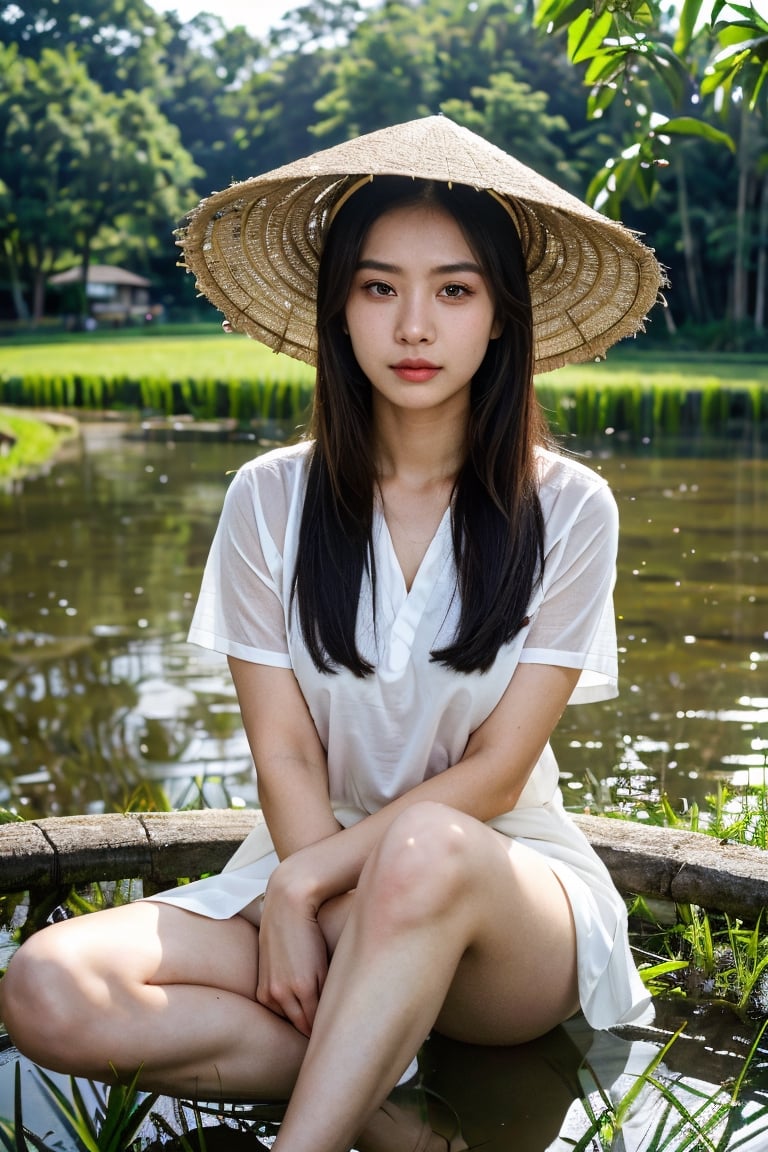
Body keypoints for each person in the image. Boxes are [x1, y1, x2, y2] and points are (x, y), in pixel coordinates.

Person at [0, 116, 664, 1152]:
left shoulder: (570, 509)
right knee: (48, 986)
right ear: (339, 310)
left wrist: (306, 888)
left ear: (500, 318)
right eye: (377, 286)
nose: (413, 325)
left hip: (501, 905)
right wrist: (304, 884)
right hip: (309, 867)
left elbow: (495, 775)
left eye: (453, 290)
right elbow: (287, 750)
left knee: (429, 844)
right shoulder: (268, 498)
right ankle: (387, 1110)